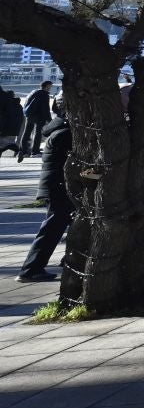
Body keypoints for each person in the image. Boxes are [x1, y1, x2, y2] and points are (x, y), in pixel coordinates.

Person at [16, 98, 72, 282]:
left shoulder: (58, 130)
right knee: (52, 228)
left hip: (55, 185)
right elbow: (71, 165)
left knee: (65, 223)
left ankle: (70, 259)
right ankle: (31, 268)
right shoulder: (65, 133)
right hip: (59, 186)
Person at [20, 80, 51, 159]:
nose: (50, 88)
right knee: (38, 133)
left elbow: (26, 104)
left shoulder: (33, 92)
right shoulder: (44, 94)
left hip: (29, 115)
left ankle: (23, 151)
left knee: (26, 132)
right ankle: (35, 151)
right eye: (50, 86)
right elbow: (45, 108)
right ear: (47, 86)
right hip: (39, 116)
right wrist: (49, 119)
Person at [0, 87, 22, 159]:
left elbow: (4, 115)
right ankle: (18, 151)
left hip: (4, 127)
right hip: (14, 129)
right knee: (5, 143)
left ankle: (18, 150)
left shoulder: (4, 103)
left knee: (4, 144)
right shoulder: (18, 105)